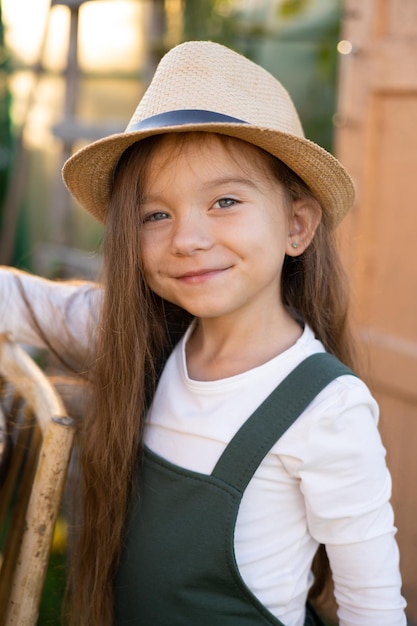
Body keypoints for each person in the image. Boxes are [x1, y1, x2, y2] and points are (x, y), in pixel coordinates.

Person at [0, 41, 406, 626]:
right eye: (154, 214)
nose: (187, 238)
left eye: (224, 201)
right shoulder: (141, 337)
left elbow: (374, 610)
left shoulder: (327, 409)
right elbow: (19, 302)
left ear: (296, 225)